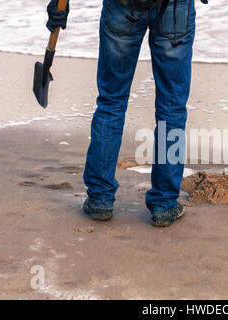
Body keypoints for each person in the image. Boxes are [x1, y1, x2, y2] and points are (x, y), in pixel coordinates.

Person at [46, 0, 206, 227]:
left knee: (111, 101)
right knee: (172, 107)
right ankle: (165, 203)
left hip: (122, 7)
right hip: (174, 8)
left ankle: (100, 199)